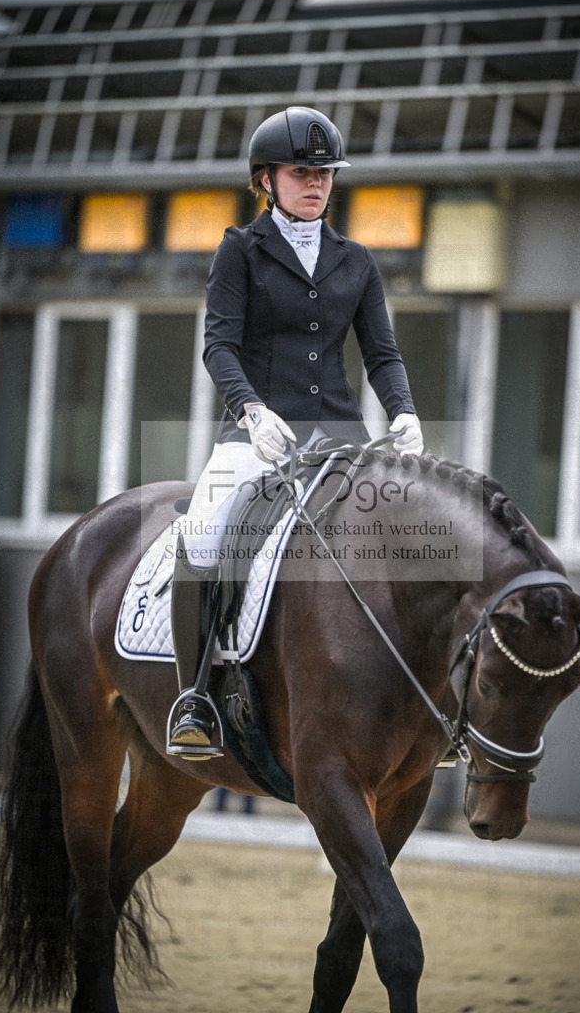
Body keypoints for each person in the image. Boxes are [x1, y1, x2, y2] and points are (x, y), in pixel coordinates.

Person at [166, 106, 424, 760]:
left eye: (324, 173)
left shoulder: (355, 261)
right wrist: (252, 412)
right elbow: (219, 347)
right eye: (300, 172)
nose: (315, 183)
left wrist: (403, 411)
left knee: (413, 535)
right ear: (266, 179)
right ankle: (193, 697)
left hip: (340, 437)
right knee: (205, 528)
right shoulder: (239, 251)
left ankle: (425, 705)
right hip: (257, 435)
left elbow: (382, 354)